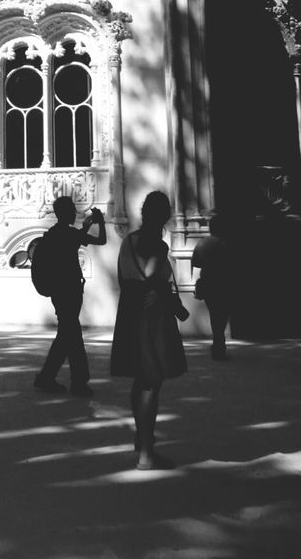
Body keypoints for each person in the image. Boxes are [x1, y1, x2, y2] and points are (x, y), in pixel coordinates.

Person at [110, 191, 186, 470]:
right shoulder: (158, 245)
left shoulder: (128, 241)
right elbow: (152, 273)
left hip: (130, 310)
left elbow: (123, 277)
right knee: (151, 382)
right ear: (165, 216)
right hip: (150, 317)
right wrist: (158, 291)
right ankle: (146, 452)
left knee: (140, 380)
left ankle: (143, 439)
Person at [33, 195, 106, 397]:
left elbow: (73, 240)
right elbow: (101, 240)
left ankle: (49, 377)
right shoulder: (71, 235)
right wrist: (99, 223)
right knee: (72, 337)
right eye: (72, 209)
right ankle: (76, 382)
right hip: (71, 292)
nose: (75, 212)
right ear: (67, 213)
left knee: (67, 336)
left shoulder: (54, 234)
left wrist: (85, 227)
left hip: (58, 292)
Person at [191, 214, 232, 360]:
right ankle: (219, 346)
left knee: (215, 315)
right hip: (222, 284)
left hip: (207, 283)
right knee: (221, 316)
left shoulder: (202, 243)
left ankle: (218, 345)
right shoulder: (225, 244)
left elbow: (195, 263)